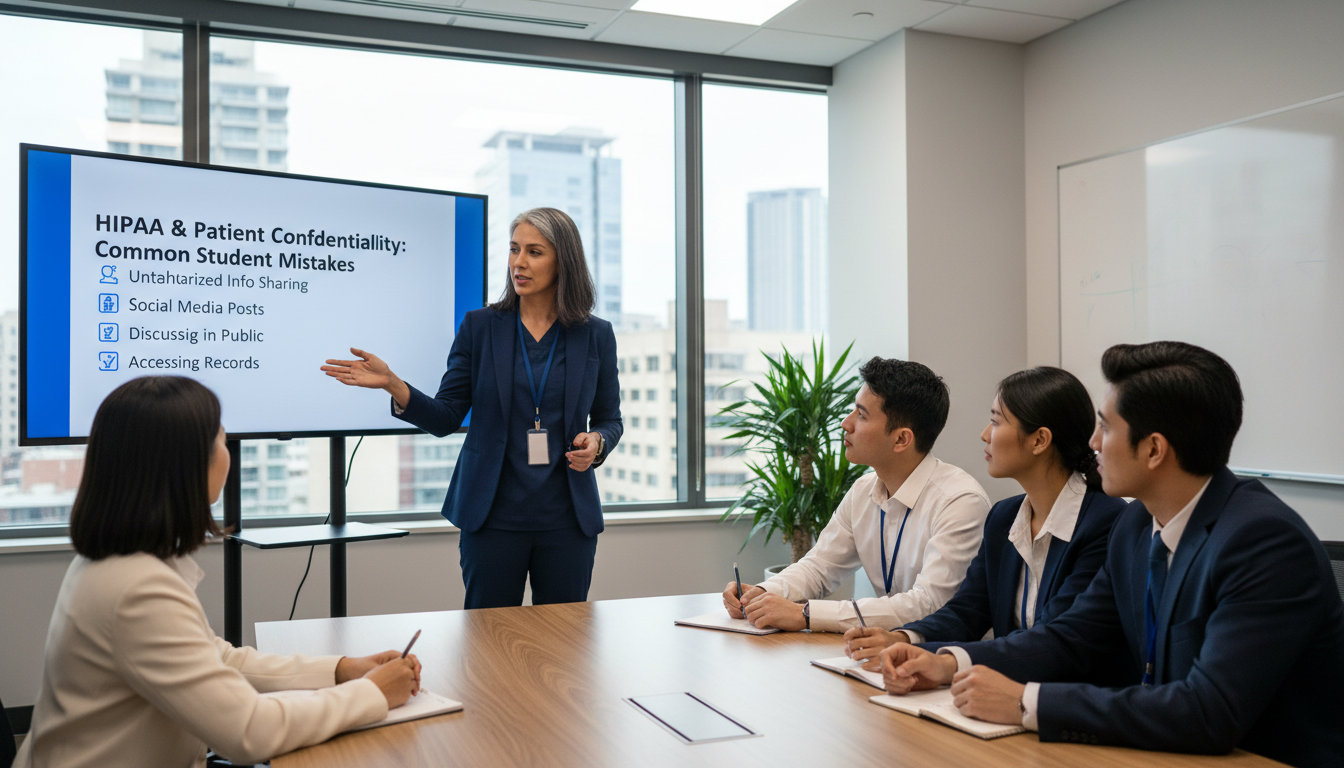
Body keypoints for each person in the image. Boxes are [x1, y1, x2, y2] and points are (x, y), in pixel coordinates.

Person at [877, 342, 1344, 768]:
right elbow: (1070, 637)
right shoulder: (1136, 524)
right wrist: (947, 662)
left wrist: (1025, 703)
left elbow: (1209, 711)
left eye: (1105, 427)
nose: (1093, 444)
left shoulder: (1263, 542)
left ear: (1154, 449)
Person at [15, 377, 421, 768]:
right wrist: (372, 693)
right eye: (221, 440)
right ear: (187, 465)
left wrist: (341, 669)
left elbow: (216, 658)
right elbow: (249, 732)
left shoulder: (118, 559)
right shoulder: (137, 590)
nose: (227, 454)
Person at [323, 207, 621, 609]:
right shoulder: (480, 327)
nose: (518, 262)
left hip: (567, 521)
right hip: (492, 518)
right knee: (489, 637)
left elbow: (609, 418)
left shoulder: (595, 334)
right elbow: (446, 417)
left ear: (563, 261)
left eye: (534, 252)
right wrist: (394, 384)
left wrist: (598, 442)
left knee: (564, 639)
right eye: (514, 249)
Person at [844, 367, 1125, 668]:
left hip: (1063, 692)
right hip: (1002, 686)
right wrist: (904, 638)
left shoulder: (1105, 522)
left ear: (1039, 440)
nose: (985, 434)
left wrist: (949, 663)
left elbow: (1054, 639)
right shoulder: (1004, 517)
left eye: (996, 421)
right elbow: (968, 611)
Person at [722, 357, 990, 633]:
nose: (845, 423)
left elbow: (928, 605)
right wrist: (763, 593)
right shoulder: (863, 490)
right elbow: (819, 567)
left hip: (942, 654)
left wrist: (806, 614)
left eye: (861, 415)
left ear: (901, 439)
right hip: (882, 649)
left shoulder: (959, 502)